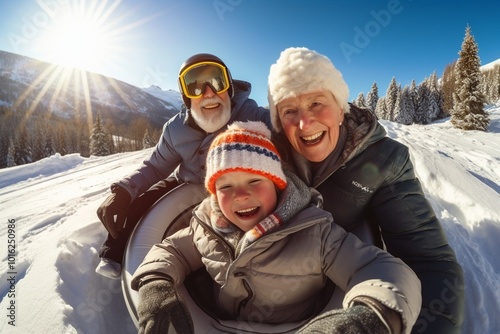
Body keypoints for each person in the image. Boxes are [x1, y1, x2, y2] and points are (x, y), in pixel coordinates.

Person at [130, 121, 421, 334]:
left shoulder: (314, 232)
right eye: (226, 186)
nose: (240, 196)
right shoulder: (206, 227)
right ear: (213, 194)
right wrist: (156, 283)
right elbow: (171, 251)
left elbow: (379, 268)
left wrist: (372, 315)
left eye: (254, 181)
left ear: (278, 185)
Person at [267, 47, 465, 333]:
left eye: (316, 103)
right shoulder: (267, 158)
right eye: (289, 111)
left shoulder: (385, 161)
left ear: (340, 110)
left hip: (349, 291)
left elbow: (428, 259)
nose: (304, 122)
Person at [95, 53, 270, 279]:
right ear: (186, 97)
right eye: (195, 86)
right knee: (142, 203)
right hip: (186, 181)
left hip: (233, 187)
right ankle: (115, 253)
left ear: (229, 88)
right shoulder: (175, 129)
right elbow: (155, 167)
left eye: (217, 82)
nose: (208, 93)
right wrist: (123, 191)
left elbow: (287, 131)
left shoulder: (253, 117)